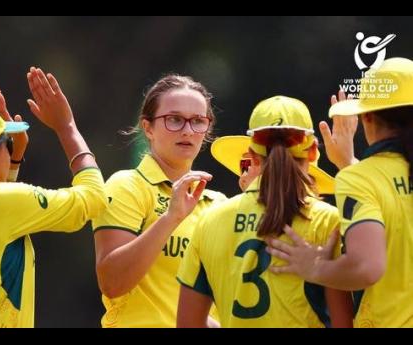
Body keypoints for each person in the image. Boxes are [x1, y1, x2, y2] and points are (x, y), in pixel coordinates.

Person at [177, 95, 353, 328]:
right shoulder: (327, 220)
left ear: (252, 154)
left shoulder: (209, 220)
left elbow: (188, 324)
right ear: (312, 151)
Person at [0, 67, 107, 327]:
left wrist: (13, 159)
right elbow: (92, 199)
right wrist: (66, 128)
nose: (11, 146)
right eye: (6, 142)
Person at [266, 57, 413, 327]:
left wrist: (316, 268)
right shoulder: (361, 175)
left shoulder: (359, 179)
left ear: (366, 116)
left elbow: (366, 267)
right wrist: (349, 163)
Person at [92, 74, 226, 328]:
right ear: (148, 127)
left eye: (198, 121)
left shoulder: (219, 204)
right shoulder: (127, 186)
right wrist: (171, 218)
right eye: (174, 120)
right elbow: (112, 283)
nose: (187, 130)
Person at [210, 135, 335, 194]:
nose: (244, 176)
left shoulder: (325, 220)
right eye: (244, 164)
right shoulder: (223, 217)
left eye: (252, 161)